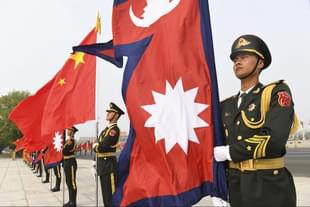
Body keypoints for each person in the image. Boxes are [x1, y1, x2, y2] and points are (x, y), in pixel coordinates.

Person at [214, 34, 299, 206]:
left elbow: (274, 139)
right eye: (235, 59)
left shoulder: (276, 92)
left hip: (269, 188)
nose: (237, 62)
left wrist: (230, 152)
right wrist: (218, 188)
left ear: (260, 63)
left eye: (244, 57)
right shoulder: (225, 105)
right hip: (236, 188)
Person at [93, 102, 124, 207]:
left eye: (110, 112)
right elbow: (98, 145)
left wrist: (96, 146)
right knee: (105, 197)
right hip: (102, 166)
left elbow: (102, 147)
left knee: (110, 196)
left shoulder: (114, 130)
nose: (108, 113)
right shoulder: (105, 130)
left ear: (116, 115)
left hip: (109, 166)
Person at [63, 126, 78, 207]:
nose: (67, 131)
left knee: (72, 183)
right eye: (67, 129)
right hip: (66, 162)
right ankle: (70, 200)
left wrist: (61, 149)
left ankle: (73, 202)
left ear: (72, 132)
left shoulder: (71, 141)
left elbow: (65, 151)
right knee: (68, 182)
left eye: (69, 130)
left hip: (71, 163)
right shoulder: (68, 141)